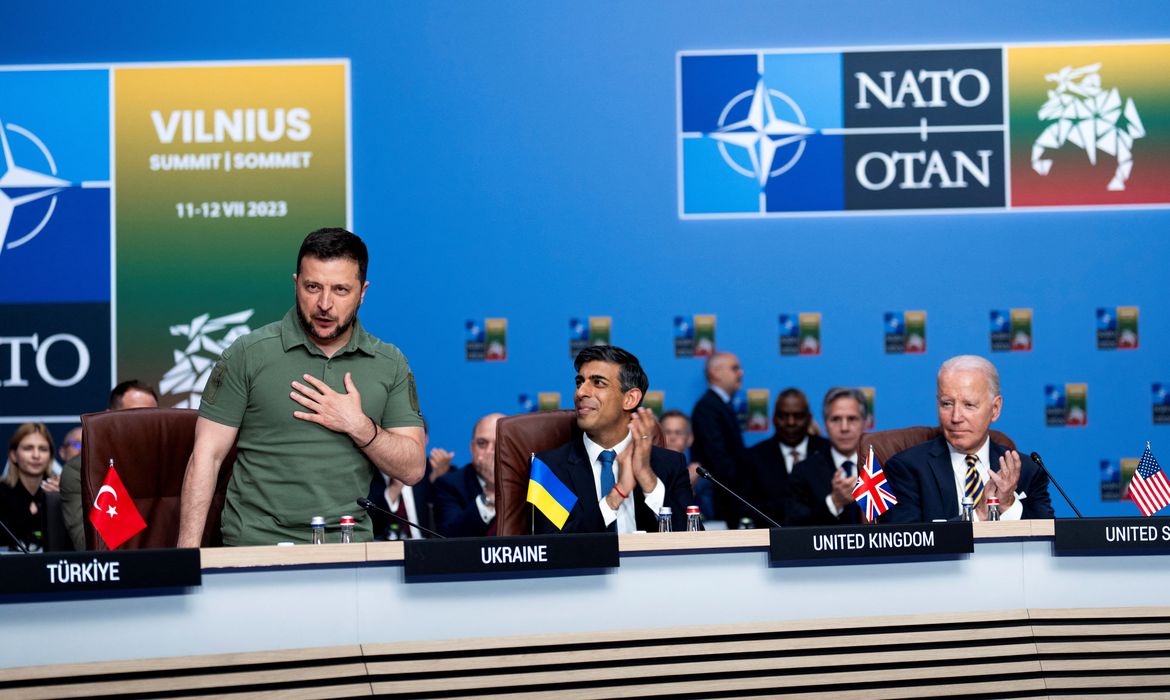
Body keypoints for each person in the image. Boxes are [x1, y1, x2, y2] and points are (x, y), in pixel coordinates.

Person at [178, 228, 425, 547]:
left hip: (348, 548)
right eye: (313, 287)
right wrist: (185, 557)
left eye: (340, 290)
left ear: (362, 292)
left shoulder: (389, 362)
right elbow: (206, 457)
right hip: (255, 546)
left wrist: (359, 426)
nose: (325, 303)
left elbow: (413, 469)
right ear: (296, 284)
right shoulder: (248, 353)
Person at [533, 346, 690, 534]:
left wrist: (647, 478)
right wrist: (617, 495)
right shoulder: (550, 469)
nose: (581, 392)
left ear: (630, 399)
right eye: (579, 382)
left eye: (598, 382)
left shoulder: (669, 464)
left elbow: (695, 543)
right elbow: (552, 550)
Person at [884, 355, 1054, 523]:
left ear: (995, 408)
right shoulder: (906, 469)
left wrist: (1008, 504)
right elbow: (905, 544)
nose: (956, 417)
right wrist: (979, 515)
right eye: (947, 404)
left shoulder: (1028, 470)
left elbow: (1048, 541)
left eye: (969, 405)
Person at [59, 380, 160, 550]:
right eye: (136, 415)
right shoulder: (81, 470)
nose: (146, 423)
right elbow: (90, 546)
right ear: (109, 418)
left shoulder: (172, 465)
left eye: (153, 416)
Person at [745, 389, 830, 526]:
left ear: (809, 418)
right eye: (783, 416)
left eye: (798, 416)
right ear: (773, 419)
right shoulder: (754, 457)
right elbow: (746, 508)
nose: (791, 422)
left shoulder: (827, 451)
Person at [788, 388, 867, 525]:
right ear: (825, 424)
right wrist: (835, 502)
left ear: (865, 423)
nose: (844, 428)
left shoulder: (881, 465)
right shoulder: (804, 472)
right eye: (836, 419)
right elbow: (795, 528)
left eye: (852, 419)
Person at [689, 352, 751, 524]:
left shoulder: (720, 404)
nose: (741, 373)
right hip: (720, 500)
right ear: (716, 372)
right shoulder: (708, 407)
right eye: (734, 368)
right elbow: (718, 458)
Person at [433, 413, 504, 537]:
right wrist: (490, 493)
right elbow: (449, 540)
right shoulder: (449, 485)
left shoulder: (530, 483)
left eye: (499, 444)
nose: (489, 452)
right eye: (482, 443)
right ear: (472, 448)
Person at [0, 423, 58, 552]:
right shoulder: (2, 493)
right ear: (13, 455)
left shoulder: (59, 493)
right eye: (28, 448)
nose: (36, 455)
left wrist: (58, 501)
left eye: (43, 449)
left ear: (50, 457)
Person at [660, 409, 715, 521]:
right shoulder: (646, 473)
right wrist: (686, 483)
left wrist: (691, 489)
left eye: (678, 432)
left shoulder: (701, 478)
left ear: (689, 439)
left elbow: (707, 519)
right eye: (667, 432)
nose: (672, 438)